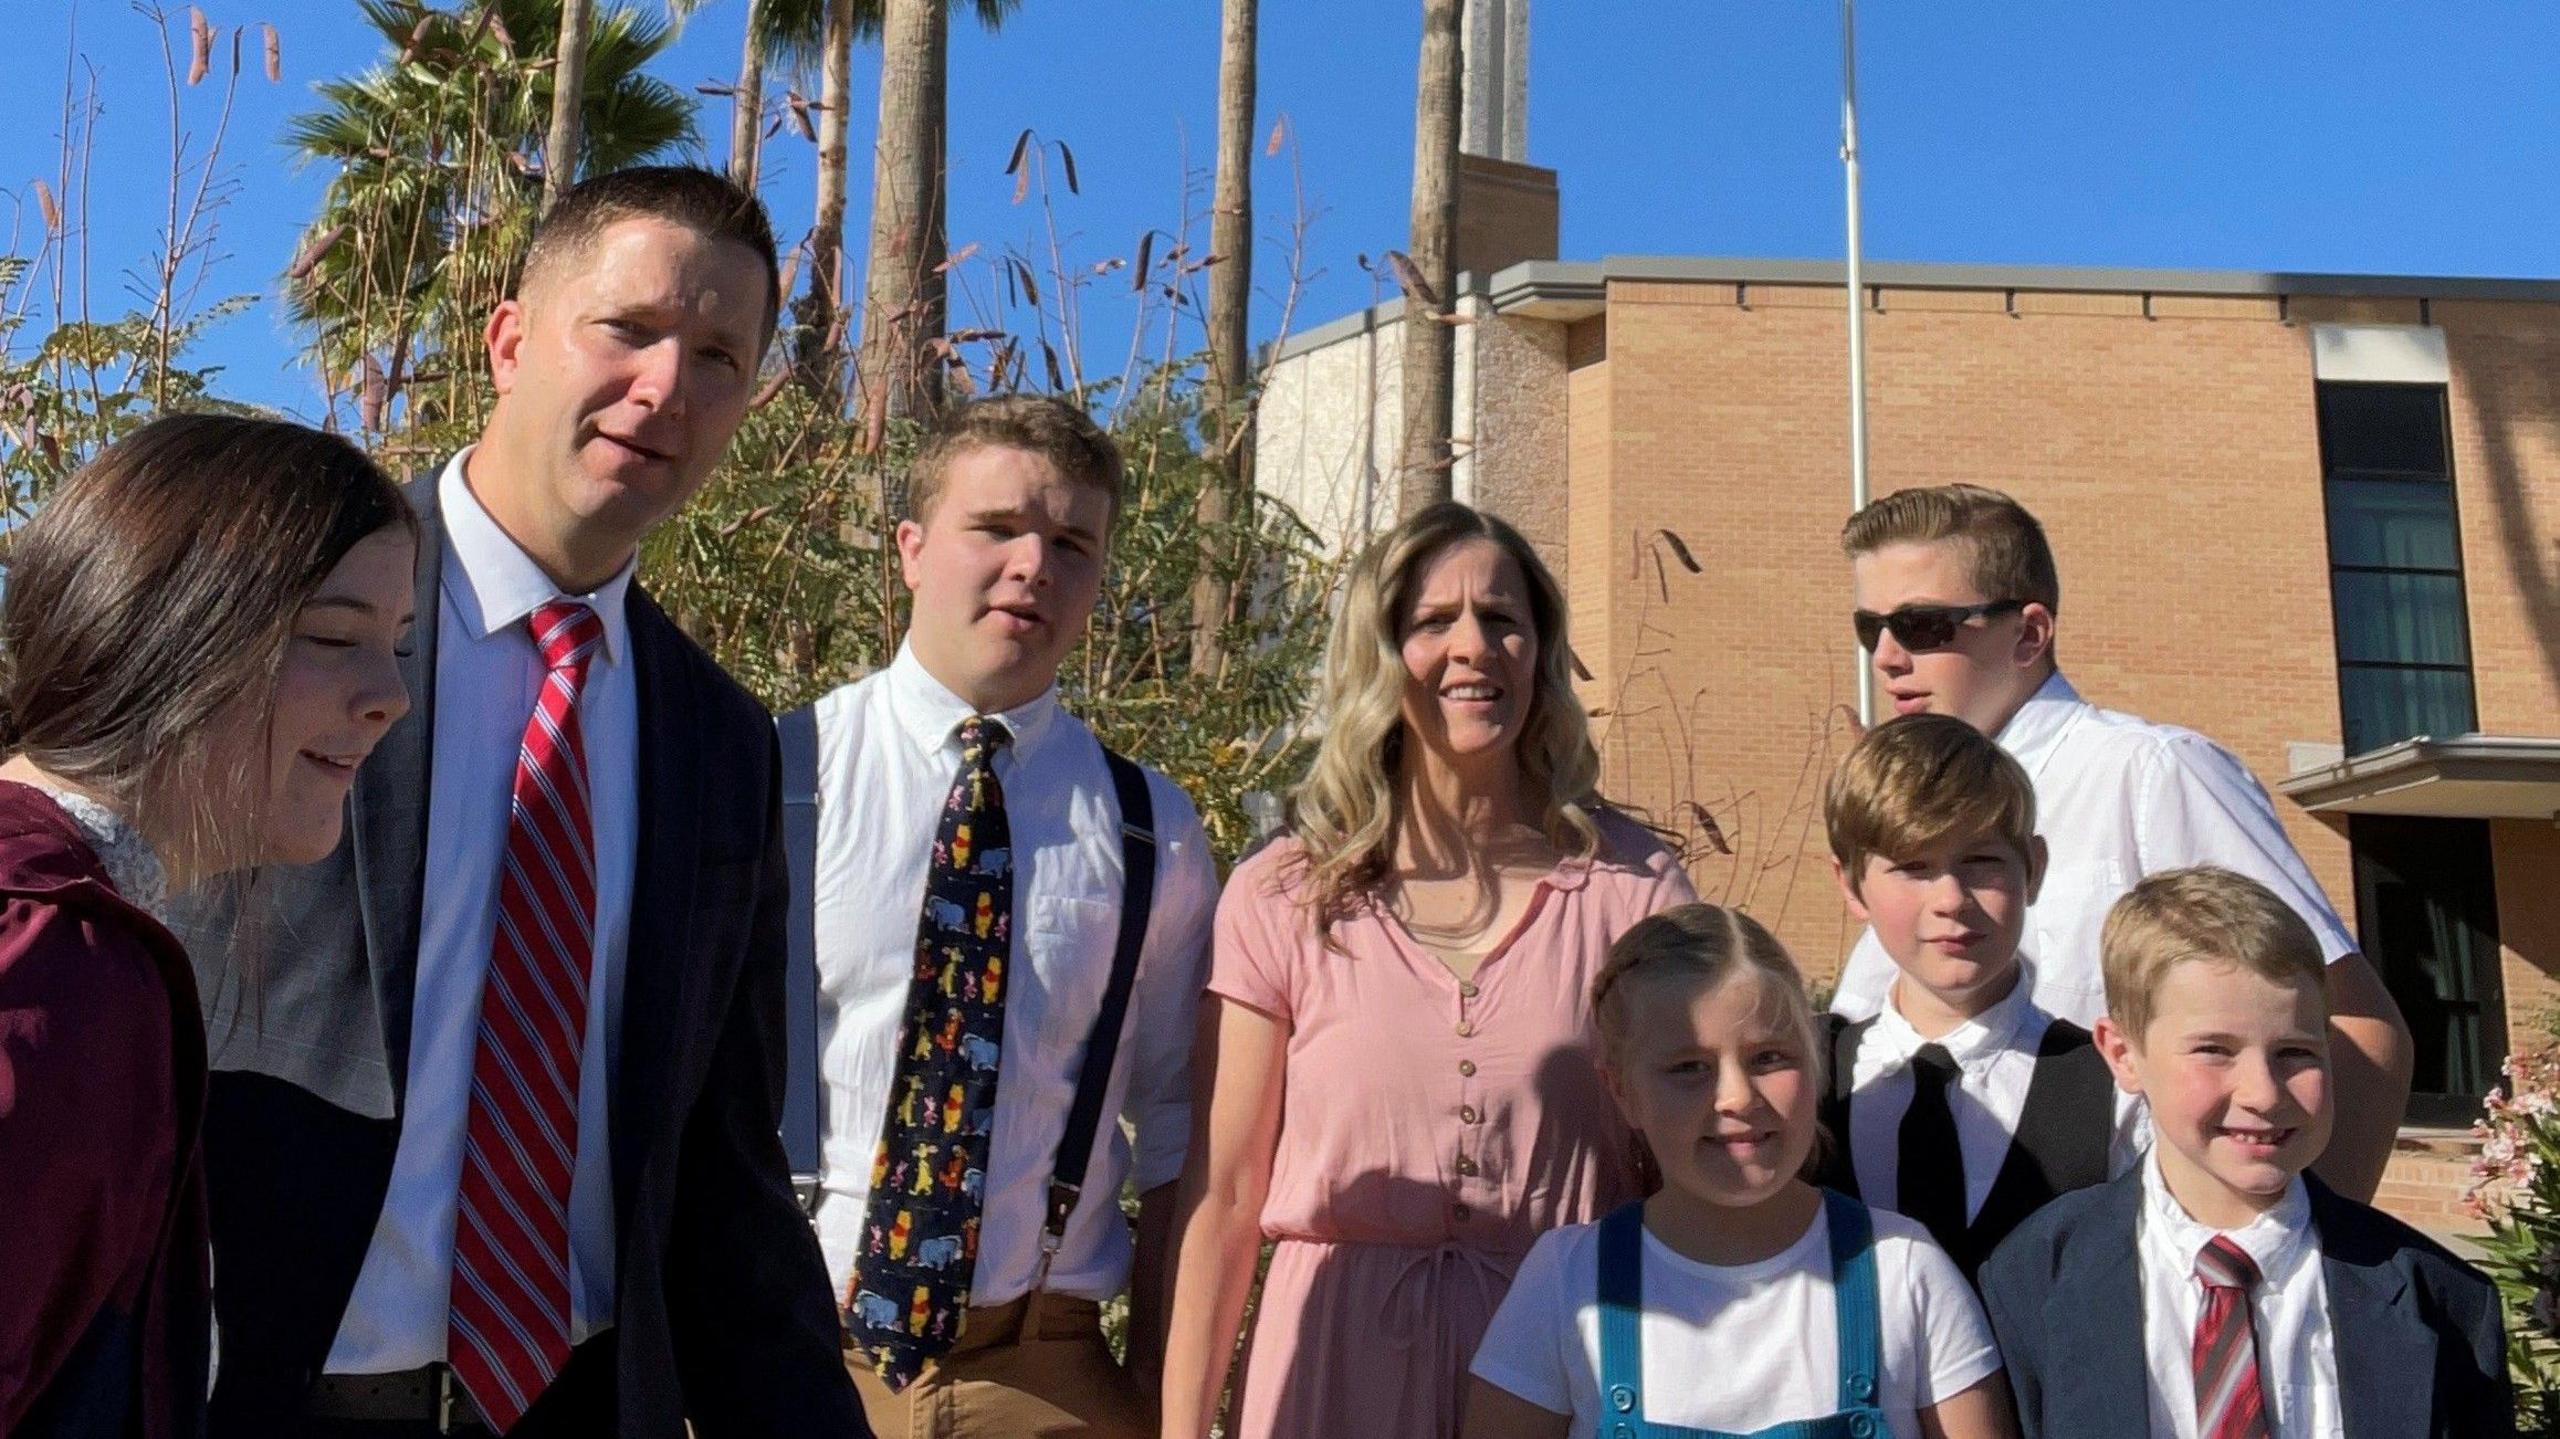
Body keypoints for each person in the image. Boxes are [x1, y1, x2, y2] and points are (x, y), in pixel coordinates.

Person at [163, 167, 867, 1438]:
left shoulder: (719, 738)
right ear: (507, 339)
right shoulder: (270, 613)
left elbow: (723, 1167)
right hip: (258, 1394)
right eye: (632, 328)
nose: (667, 388)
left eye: (719, 355)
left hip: (571, 1402)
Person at [1162, 502, 1698, 1439]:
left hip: (1566, 1376)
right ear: (1380, 653)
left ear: (1540, 649)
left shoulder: (1636, 889)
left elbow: (1688, 1177)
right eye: (1432, 621)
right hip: (1329, 1374)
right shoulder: (1285, 896)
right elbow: (1227, 1200)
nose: (1474, 647)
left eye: (1502, 619)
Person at [799, 396, 1219, 1436]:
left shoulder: (1148, 827)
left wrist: (1165, 1395)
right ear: (911, 548)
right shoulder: (783, 774)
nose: (1034, 564)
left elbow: (1176, 1134)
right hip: (792, 1354)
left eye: (1072, 541)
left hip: (1046, 1370)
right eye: (996, 528)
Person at [0, 414, 416, 1438]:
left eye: (397, 645)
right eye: (332, 636)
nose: (392, 696)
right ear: (161, 627)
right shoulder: (55, 966)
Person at [1827, 483, 2413, 1200]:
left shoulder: (2149, 772)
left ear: (2029, 633)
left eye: (1921, 625)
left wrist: (2298, 1259)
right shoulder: (1899, 816)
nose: (1887, 656)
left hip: (2102, 1269)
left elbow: (2358, 1026)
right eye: (1871, 628)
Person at [1980, 868, 2509, 1437]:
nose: (2263, 1093)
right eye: (2214, 1050)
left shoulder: (2444, 1300)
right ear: (2123, 1054)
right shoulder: (2035, 1275)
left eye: (2295, 1053)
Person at [1464, 903, 2016, 1439]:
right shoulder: (1567, 1283)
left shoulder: (1902, 1270)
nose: (1736, 1097)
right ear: (1623, 1092)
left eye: (1769, 1058)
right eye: (1689, 1068)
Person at [1815, 713, 2136, 1282]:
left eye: (1981, 862)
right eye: (1913, 868)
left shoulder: (2116, 1089)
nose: (1951, 900)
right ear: (1850, 886)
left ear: (2033, 869)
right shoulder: (1809, 1081)